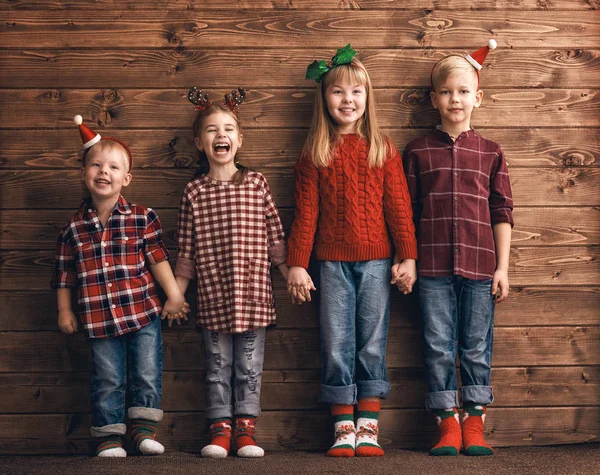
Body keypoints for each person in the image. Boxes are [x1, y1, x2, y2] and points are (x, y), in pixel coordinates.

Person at [286, 45, 418, 457]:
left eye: (356, 92)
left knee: (372, 341)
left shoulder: (382, 148)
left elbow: (399, 207)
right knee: (336, 340)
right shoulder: (315, 153)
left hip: (378, 261)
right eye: (338, 92)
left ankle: (369, 424)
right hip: (331, 263)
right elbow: (306, 216)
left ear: (367, 98)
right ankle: (344, 424)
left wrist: (408, 255)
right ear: (324, 99)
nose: (348, 100)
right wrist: (296, 264)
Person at [51, 116, 189, 457]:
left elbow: (158, 259)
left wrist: (173, 294)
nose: (104, 172)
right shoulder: (73, 228)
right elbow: (64, 274)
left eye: (113, 167)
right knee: (107, 376)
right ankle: (109, 435)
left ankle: (143, 430)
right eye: (96, 165)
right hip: (98, 319)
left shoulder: (142, 217)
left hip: (142, 312)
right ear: (84, 173)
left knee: (146, 371)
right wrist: (65, 310)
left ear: (126, 178)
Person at [402, 40, 514, 456]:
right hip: (431, 267)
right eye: (447, 91)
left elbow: (501, 211)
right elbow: (406, 214)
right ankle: (446, 420)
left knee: (476, 344)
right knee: (437, 343)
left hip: (481, 266)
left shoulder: (491, 152)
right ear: (434, 99)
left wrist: (502, 268)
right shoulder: (416, 151)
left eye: (464, 91)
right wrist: (407, 260)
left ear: (478, 99)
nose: (456, 99)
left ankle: (474, 420)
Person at [174, 87, 289, 458]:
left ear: (240, 139)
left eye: (227, 129)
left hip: (253, 295)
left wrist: (289, 273)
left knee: (249, 366)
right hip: (213, 296)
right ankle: (220, 428)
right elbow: (186, 250)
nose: (220, 135)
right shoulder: (194, 191)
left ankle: (245, 429)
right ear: (199, 141)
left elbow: (275, 237)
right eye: (211, 130)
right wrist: (177, 294)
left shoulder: (256, 184)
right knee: (217, 366)